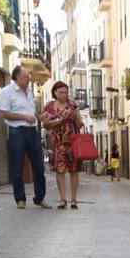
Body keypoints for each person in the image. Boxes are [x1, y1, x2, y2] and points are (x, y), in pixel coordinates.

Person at [0, 65, 49, 209]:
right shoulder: (7, 92)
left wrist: (40, 117)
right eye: (27, 77)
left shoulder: (29, 92)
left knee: (39, 166)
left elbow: (32, 114)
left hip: (32, 132)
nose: (29, 79)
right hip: (16, 131)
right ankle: (20, 199)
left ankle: (40, 197)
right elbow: (4, 113)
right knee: (17, 167)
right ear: (17, 77)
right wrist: (24, 117)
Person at [42, 81, 83, 209]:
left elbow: (80, 124)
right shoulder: (49, 107)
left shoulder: (73, 105)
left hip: (73, 143)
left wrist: (75, 117)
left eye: (66, 92)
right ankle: (62, 200)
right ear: (55, 92)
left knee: (74, 170)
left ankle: (74, 200)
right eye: (61, 92)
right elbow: (45, 125)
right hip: (58, 143)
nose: (64, 95)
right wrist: (60, 120)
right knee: (60, 171)